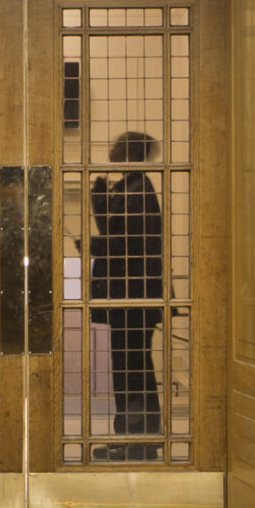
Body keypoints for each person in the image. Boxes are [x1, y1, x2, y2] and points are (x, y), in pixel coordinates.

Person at [86, 130, 164, 461]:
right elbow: (115, 231)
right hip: (130, 295)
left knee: (131, 367)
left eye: (118, 146)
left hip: (133, 295)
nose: (111, 149)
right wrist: (100, 199)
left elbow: (126, 244)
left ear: (128, 152)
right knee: (130, 365)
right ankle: (133, 437)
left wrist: (91, 245)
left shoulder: (137, 189)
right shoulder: (132, 187)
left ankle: (138, 440)